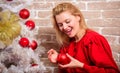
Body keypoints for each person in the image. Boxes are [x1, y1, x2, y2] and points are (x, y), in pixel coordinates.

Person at [47, 2, 120, 73]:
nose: (65, 27)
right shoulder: (66, 44)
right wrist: (59, 59)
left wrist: (82, 66)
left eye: (68, 21)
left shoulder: (93, 40)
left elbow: (113, 71)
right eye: (60, 25)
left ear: (78, 17)